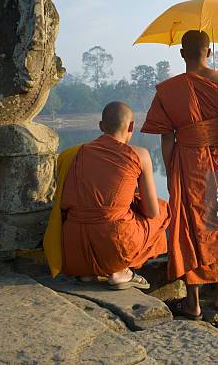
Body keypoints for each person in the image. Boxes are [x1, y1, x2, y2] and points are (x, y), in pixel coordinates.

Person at [141, 30, 218, 319]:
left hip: (187, 163)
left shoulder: (167, 90)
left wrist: (173, 171)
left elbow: (166, 139)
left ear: (181, 53)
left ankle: (193, 302)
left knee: (190, 226)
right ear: (209, 52)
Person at [57, 101, 170, 289]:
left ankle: (87, 273)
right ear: (132, 126)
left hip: (73, 247)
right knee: (163, 209)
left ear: (101, 126)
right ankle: (120, 272)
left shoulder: (74, 154)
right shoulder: (139, 154)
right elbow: (151, 211)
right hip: (114, 245)